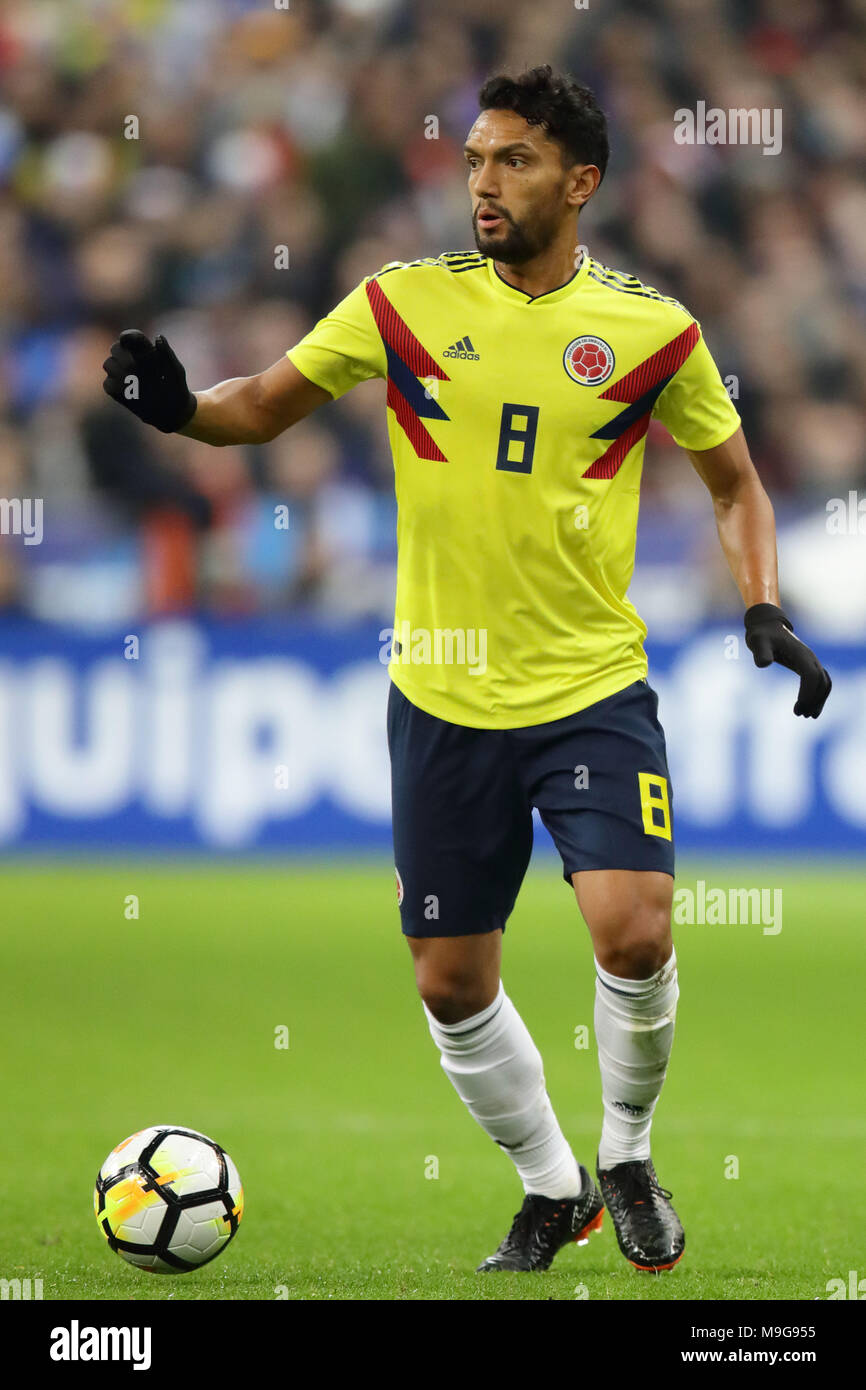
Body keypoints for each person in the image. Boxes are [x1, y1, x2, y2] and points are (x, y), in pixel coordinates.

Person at [103, 64, 831, 1275]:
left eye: (513, 162)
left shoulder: (653, 332)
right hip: (440, 695)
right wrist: (180, 409)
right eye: (476, 159)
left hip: (589, 683)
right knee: (449, 981)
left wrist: (760, 605)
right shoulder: (397, 304)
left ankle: (628, 1153)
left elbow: (734, 484)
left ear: (579, 182)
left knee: (634, 931)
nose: (482, 183)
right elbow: (260, 406)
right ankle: (553, 1187)